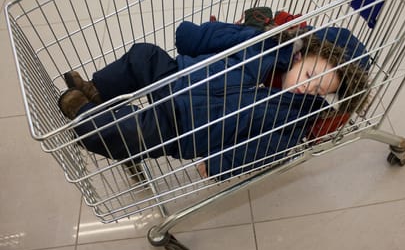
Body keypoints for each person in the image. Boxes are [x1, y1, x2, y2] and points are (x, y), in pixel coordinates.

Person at [58, 19, 370, 180]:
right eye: (310, 75)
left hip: (187, 127)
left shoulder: (292, 117)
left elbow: (263, 150)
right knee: (145, 54)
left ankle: (85, 115)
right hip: (178, 77)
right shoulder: (262, 47)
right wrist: (256, 33)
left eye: (319, 90)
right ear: (302, 55)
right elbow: (202, 40)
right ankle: (98, 92)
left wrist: (220, 165)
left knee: (137, 132)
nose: (309, 88)